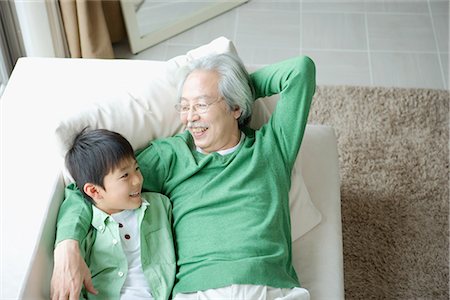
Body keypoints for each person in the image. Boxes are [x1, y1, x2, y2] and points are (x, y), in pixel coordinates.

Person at [51, 53, 316, 300]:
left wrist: (240, 91)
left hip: (272, 289)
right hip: (199, 292)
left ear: (236, 107)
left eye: (201, 104)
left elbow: (300, 70)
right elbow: (87, 189)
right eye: (184, 106)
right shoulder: (170, 155)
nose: (190, 118)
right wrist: (67, 245)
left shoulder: (272, 147)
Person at [63, 128, 175, 299]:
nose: (138, 179)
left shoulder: (160, 205)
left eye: (137, 168)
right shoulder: (87, 231)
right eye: (125, 176)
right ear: (94, 190)